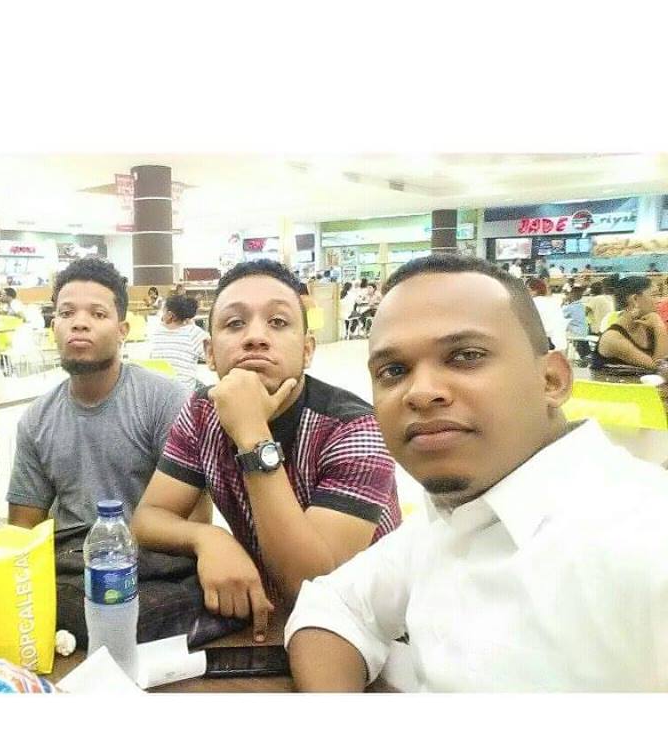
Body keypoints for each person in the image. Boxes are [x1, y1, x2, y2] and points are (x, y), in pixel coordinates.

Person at [285, 254, 668, 692]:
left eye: (466, 356)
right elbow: (334, 605)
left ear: (552, 379)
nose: (421, 392)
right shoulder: (459, 517)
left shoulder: (643, 541)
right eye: (394, 371)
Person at [131, 259, 401, 643]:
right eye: (234, 323)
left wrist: (252, 435)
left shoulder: (354, 428)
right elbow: (148, 518)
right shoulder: (202, 411)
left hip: (368, 631)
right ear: (209, 353)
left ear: (307, 350)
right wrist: (209, 538)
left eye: (277, 322)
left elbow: (312, 588)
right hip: (266, 616)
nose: (255, 337)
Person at [7, 258, 190, 533]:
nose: (79, 323)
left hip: (153, 556)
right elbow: (23, 528)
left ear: (122, 331)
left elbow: (193, 522)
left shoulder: (166, 402)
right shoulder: (36, 420)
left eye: (98, 314)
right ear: (53, 327)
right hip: (66, 555)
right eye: (67, 313)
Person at [591, 274, 668, 372]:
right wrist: (659, 325)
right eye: (654, 295)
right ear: (635, 299)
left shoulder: (648, 327)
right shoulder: (612, 339)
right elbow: (661, 368)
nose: (660, 300)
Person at [148, 293, 209, 388]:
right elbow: (212, 356)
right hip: (183, 392)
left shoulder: (156, 330)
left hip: (158, 389)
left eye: (163, 311)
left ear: (170, 315)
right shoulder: (194, 333)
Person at [527, 277, 568, 353]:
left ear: (534, 291)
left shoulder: (533, 303)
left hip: (546, 345)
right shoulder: (554, 302)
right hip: (560, 343)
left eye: (527, 290)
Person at [561, 285, 591, 361]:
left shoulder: (570, 307)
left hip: (575, 333)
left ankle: (563, 357)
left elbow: (560, 316)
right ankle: (586, 356)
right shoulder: (583, 306)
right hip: (584, 331)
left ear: (571, 295)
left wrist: (563, 303)